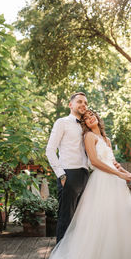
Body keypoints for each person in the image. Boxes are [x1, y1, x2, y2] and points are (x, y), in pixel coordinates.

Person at [4, 109, 131, 259]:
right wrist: (119, 174)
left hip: (115, 183)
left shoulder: (106, 140)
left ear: (97, 118)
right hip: (101, 182)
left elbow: (114, 162)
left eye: (92, 115)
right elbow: (94, 162)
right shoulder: (88, 137)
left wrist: (127, 174)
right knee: (101, 224)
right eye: (86, 118)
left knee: (122, 220)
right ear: (84, 123)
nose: (90, 118)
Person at [46, 92, 89, 243]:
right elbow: (50, 150)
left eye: (85, 103)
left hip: (85, 175)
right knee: (66, 220)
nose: (83, 105)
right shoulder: (62, 122)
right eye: (79, 102)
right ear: (71, 105)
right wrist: (61, 175)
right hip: (68, 175)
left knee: (80, 220)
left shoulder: (87, 126)